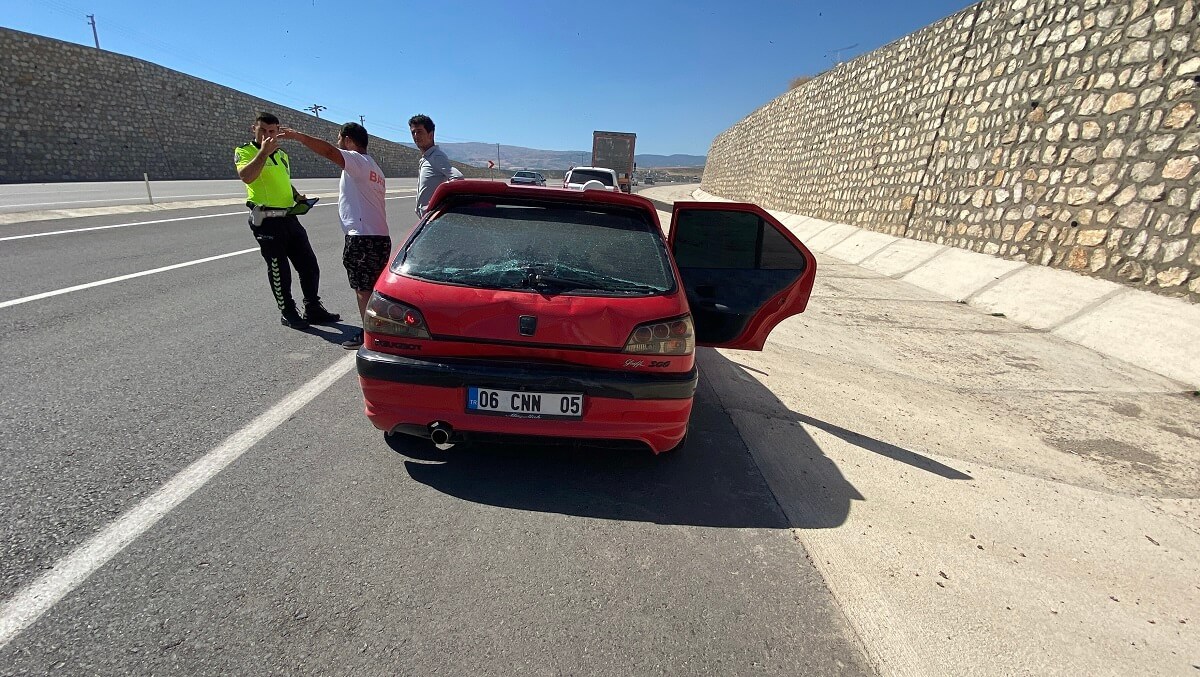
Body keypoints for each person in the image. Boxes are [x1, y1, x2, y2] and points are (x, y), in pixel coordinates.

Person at [277, 122, 390, 349]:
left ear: (348, 140)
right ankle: (381, 331)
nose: (338, 143)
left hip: (362, 237)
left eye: (340, 138)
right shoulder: (375, 168)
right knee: (374, 288)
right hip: (378, 236)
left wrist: (298, 135)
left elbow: (329, 152)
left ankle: (371, 337)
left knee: (363, 289)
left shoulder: (356, 160)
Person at [234, 112, 340, 329]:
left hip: (289, 217)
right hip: (266, 220)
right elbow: (247, 176)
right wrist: (263, 153)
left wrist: (296, 195)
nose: (267, 135)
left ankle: (313, 307)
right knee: (279, 270)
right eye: (262, 130)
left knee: (309, 265)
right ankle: (288, 312)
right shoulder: (245, 151)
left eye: (272, 131)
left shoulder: (282, 155)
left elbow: (283, 182)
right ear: (253, 128)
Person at [409, 114, 456, 218]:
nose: (416, 136)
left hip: (433, 217)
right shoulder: (426, 158)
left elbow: (457, 178)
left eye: (419, 131)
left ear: (431, 134)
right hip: (426, 218)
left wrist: (440, 203)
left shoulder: (436, 156)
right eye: (413, 132)